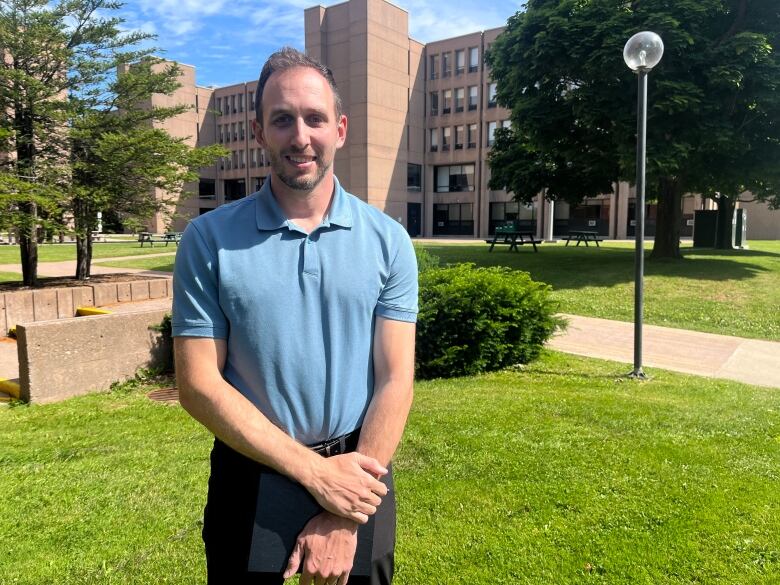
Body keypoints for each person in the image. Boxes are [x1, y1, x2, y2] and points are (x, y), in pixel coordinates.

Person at [171, 46, 418, 585]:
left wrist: (345, 506)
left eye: (315, 118)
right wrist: (314, 474)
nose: (300, 136)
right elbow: (197, 384)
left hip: (362, 466)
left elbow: (396, 377)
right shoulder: (208, 240)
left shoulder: (389, 242)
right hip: (251, 473)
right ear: (260, 132)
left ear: (341, 129)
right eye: (282, 119)